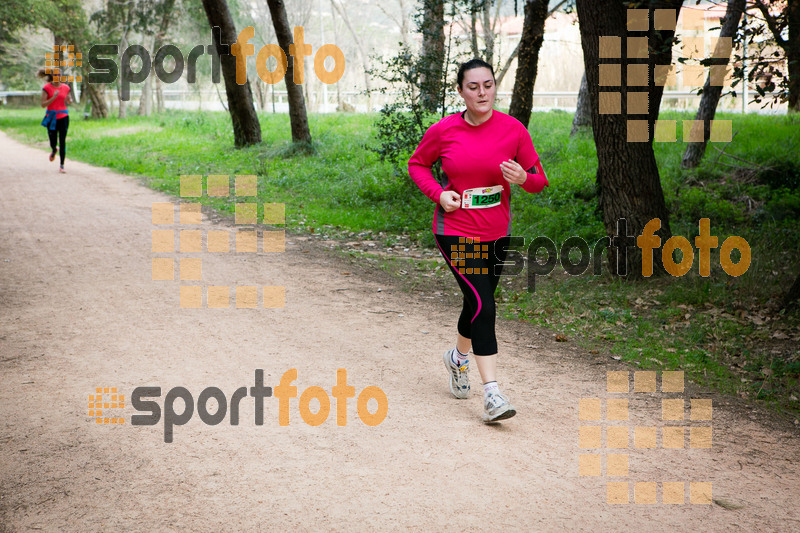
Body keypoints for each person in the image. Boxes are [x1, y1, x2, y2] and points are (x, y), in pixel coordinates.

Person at [408, 58, 549, 423]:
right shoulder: (443, 131)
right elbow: (417, 165)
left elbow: (538, 179)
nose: (482, 92)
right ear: (460, 91)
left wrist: (522, 178)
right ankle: (492, 395)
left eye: (488, 85)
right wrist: (439, 194)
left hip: (497, 233)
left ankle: (456, 359)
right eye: (473, 87)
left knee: (476, 304)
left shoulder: (513, 130)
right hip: (455, 231)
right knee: (484, 306)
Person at [39, 67, 72, 173]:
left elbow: (69, 100)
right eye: (55, 75)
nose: (57, 77)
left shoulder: (66, 87)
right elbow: (43, 105)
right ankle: (54, 149)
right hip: (51, 117)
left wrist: (69, 100)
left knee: (62, 141)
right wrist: (53, 97)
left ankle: (62, 165)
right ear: (52, 76)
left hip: (63, 117)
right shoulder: (47, 88)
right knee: (53, 140)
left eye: (59, 75)